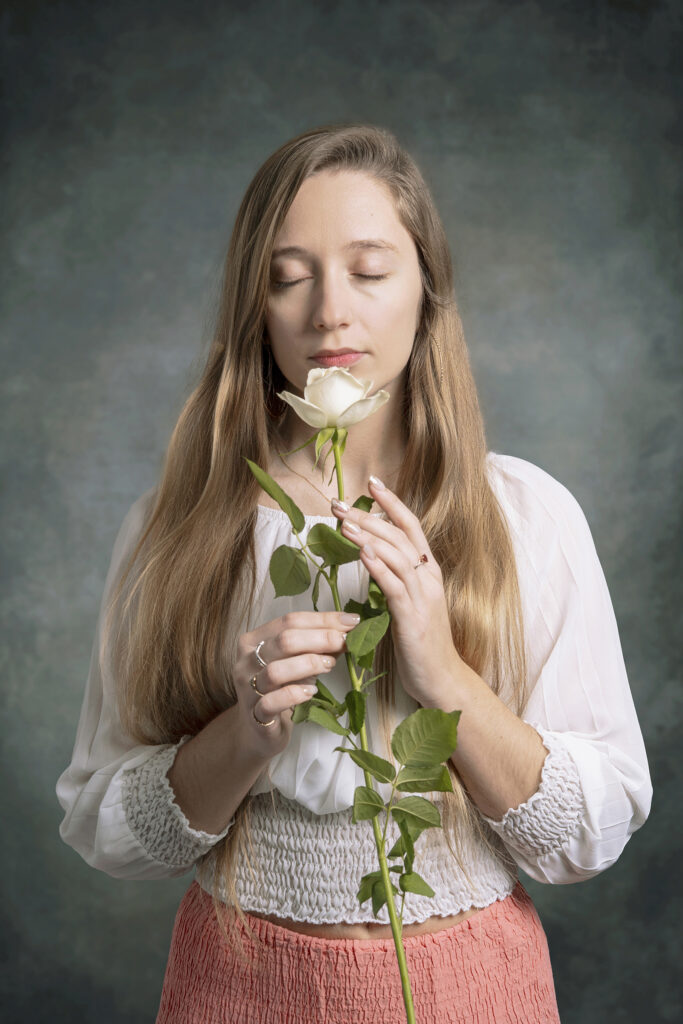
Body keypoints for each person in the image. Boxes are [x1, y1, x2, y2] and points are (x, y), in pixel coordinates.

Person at [56, 123, 652, 1024]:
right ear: (252, 309)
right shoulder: (174, 530)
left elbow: (589, 834)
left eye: (369, 271)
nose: (330, 311)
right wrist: (244, 735)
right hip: (237, 988)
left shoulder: (526, 515)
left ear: (427, 291)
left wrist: (442, 676)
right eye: (288, 276)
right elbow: (105, 827)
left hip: (473, 993)